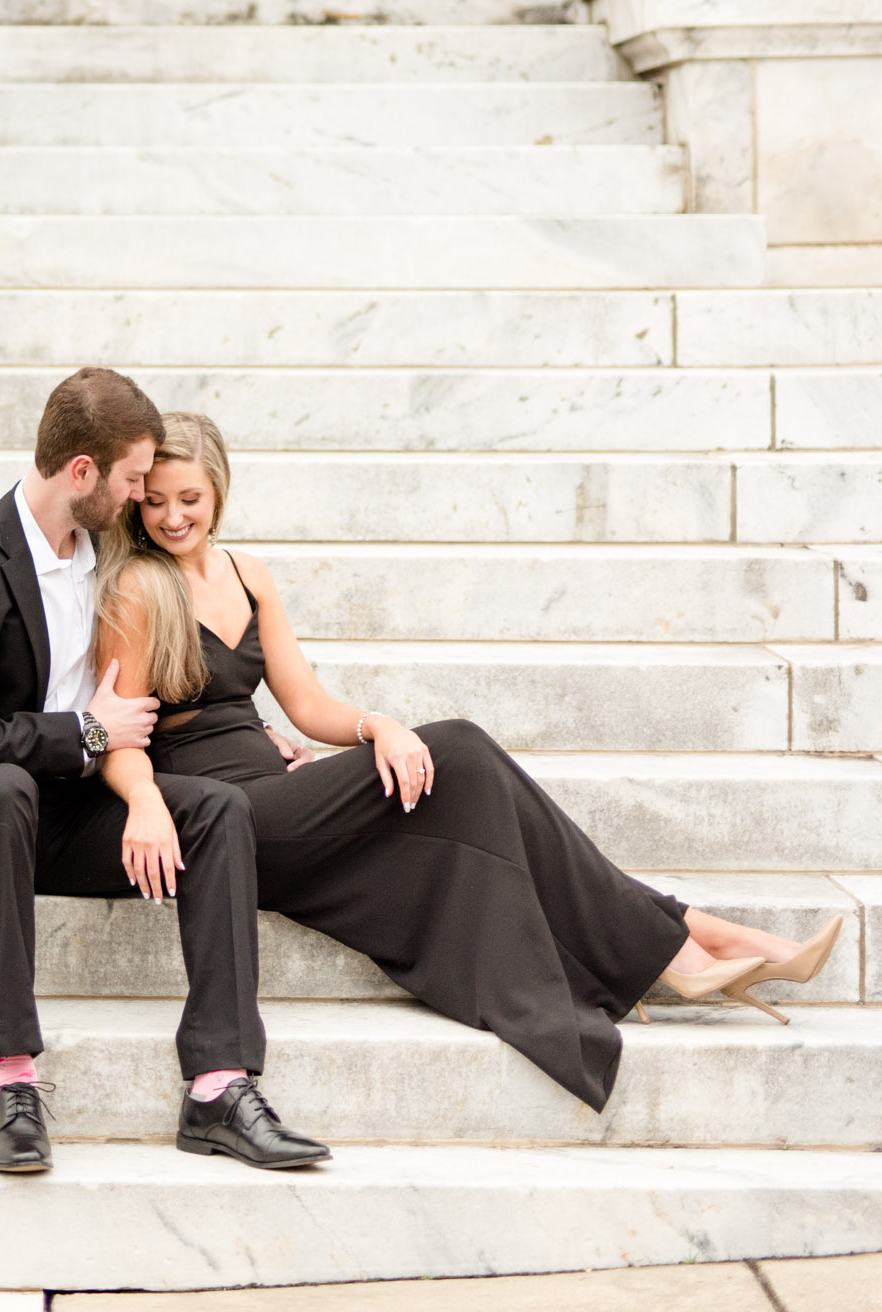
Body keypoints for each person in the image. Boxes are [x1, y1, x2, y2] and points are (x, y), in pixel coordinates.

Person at [93, 411, 843, 1114]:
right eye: (153, 502)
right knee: (457, 749)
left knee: (458, 776)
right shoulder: (136, 586)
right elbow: (120, 736)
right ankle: (687, 941)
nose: (171, 517)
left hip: (282, 787)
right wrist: (150, 802)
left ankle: (684, 942)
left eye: (188, 497)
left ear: (219, 487)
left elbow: (306, 703)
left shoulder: (248, 574)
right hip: (222, 813)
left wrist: (375, 725)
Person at [0, 368, 330, 1174]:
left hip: (71, 808)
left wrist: (255, 738)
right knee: (1, 789)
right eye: (135, 480)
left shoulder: (112, 550)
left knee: (217, 809)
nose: (146, 497)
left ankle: (217, 1084)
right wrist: (78, 733)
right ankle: (14, 1082)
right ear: (84, 473)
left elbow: (176, 674)